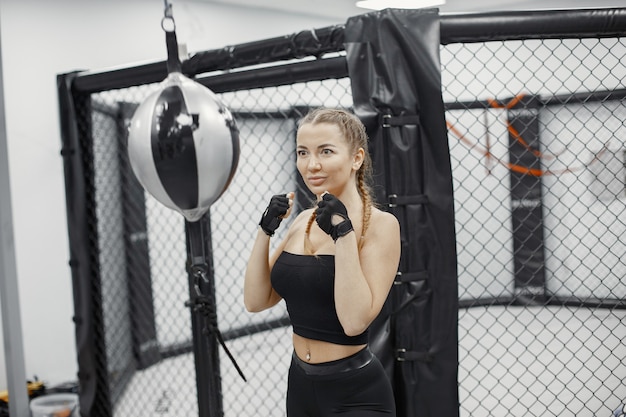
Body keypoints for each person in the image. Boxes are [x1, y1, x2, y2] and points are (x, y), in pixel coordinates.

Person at [244, 108, 401, 416]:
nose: (311, 165)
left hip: (356, 394)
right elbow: (256, 300)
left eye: (325, 151)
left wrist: (343, 233)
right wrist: (265, 230)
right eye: (303, 152)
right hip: (300, 385)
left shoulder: (380, 226)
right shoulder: (302, 220)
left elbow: (354, 322)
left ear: (356, 159)